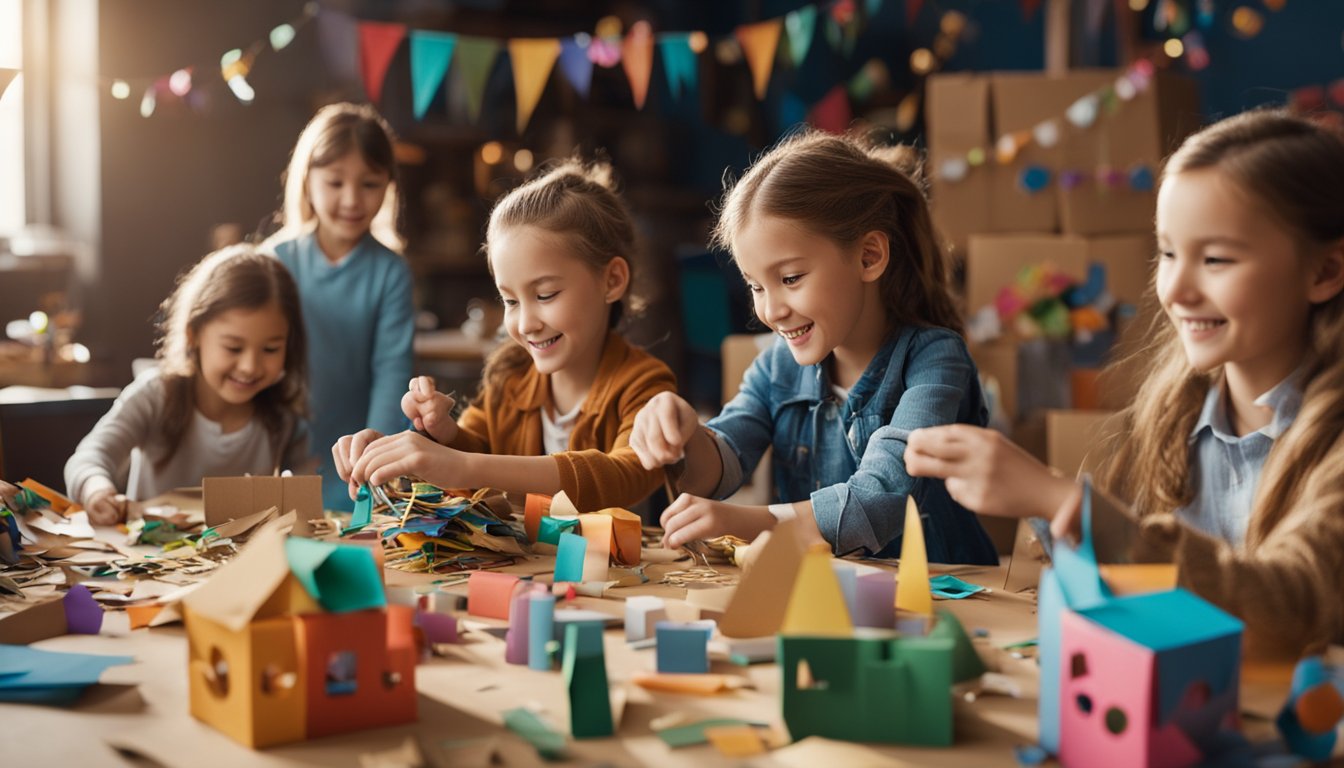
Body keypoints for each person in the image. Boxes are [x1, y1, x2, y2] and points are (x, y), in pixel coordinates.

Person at [906, 110, 1344, 659]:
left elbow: (1289, 606)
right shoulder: (1175, 415)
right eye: (1167, 253)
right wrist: (1036, 500)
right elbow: (1136, 577)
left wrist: (1061, 500)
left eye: (1215, 259)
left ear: (1324, 272)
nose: (1176, 289)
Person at [628, 129, 1000, 564]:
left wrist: (744, 522)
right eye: (755, 286)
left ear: (869, 256)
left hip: (945, 599)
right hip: (827, 600)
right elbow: (721, 463)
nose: (771, 310)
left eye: (789, 279)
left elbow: (877, 502)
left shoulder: (935, 361)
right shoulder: (774, 367)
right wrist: (683, 434)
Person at [333, 158, 676, 511]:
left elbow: (623, 473)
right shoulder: (510, 376)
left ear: (612, 280)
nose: (525, 324)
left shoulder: (644, 385)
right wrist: (430, 440)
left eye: (545, 295)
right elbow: (473, 458)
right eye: (510, 300)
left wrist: (462, 465)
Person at [66, 245, 310, 525]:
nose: (250, 366)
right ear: (193, 335)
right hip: (149, 563)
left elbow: (301, 495)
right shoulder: (156, 393)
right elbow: (90, 456)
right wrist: (97, 490)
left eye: (270, 349)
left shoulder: (284, 414)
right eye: (233, 348)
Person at [263, 102, 414, 512]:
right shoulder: (274, 261)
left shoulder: (390, 272)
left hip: (356, 462)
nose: (352, 199)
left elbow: (392, 372)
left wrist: (373, 452)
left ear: (388, 186)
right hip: (276, 457)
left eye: (369, 184)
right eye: (335, 182)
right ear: (307, 180)